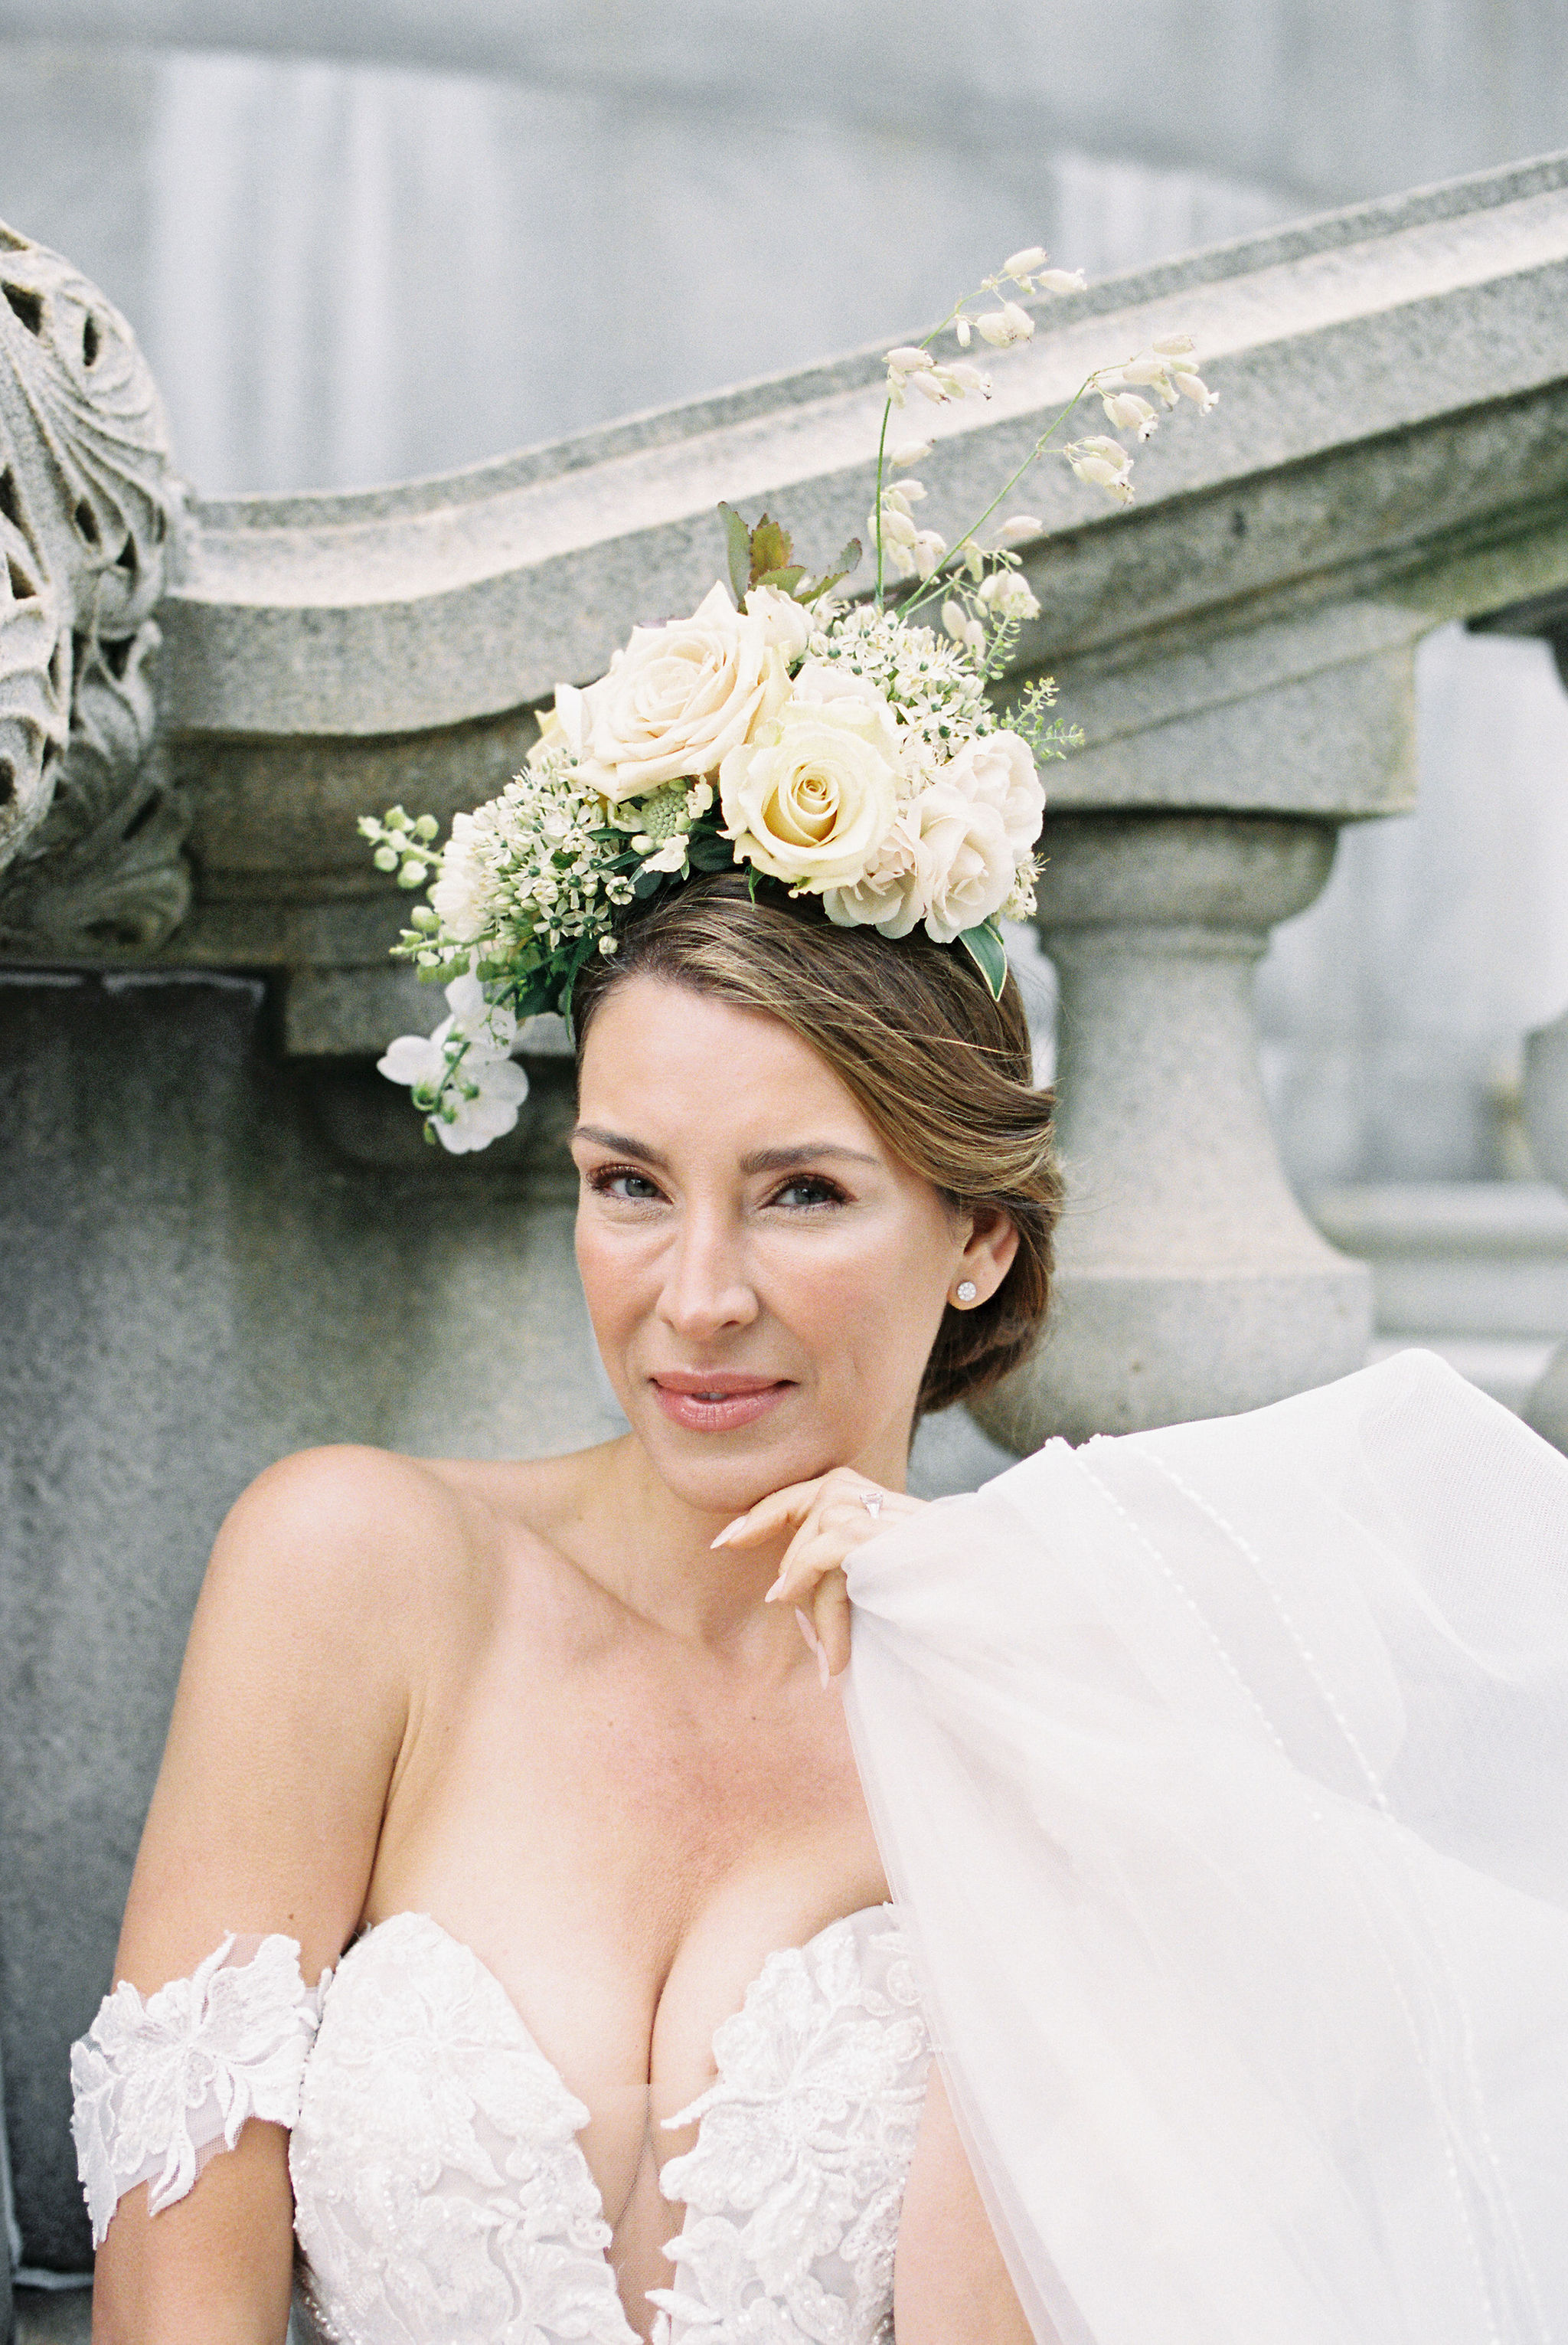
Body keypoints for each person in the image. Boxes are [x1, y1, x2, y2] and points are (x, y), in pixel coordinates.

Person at [72, 877, 1060, 2344]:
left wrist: (1005, 1682)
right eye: (632, 1185)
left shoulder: (1047, 1695)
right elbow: (175, 2298)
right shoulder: (351, 1572)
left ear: (979, 1235)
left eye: (802, 1191)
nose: (699, 1297)